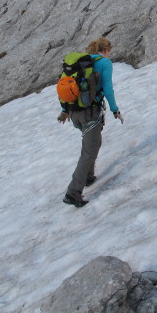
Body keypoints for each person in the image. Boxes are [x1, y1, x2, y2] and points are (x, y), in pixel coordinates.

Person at [58, 37, 124, 207]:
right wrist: (115, 109)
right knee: (88, 150)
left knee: (94, 143)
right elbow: (108, 89)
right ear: (106, 50)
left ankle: (88, 176)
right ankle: (73, 192)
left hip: (74, 112)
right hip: (90, 112)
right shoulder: (105, 63)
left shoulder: (81, 64)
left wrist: (65, 110)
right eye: (110, 50)